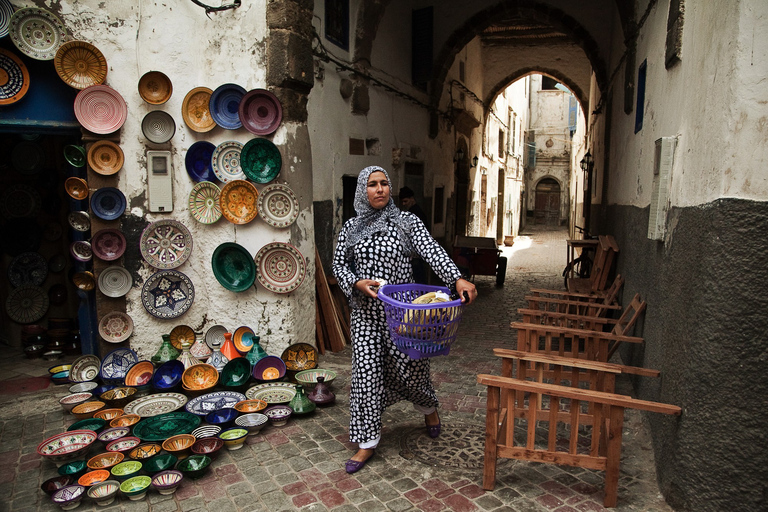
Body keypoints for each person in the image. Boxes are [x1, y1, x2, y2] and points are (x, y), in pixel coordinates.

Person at [332, 165, 477, 474]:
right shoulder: (351, 228)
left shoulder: (406, 222)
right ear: (363, 190)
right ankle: (367, 442)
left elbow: (431, 250)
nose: (380, 189)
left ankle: (428, 409)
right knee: (366, 377)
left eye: (385, 183)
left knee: (411, 370)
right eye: (372, 184)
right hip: (366, 317)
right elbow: (339, 265)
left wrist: (457, 279)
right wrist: (356, 283)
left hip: (402, 316)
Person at [399, 186, 429, 284]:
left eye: (406, 201)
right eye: (402, 202)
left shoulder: (416, 215)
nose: (404, 204)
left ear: (412, 199)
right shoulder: (410, 213)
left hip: (416, 255)